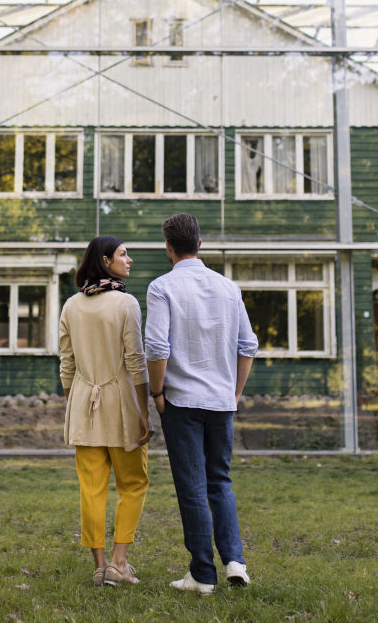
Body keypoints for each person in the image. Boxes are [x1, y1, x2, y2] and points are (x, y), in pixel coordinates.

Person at [145, 213, 258, 595]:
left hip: (180, 402)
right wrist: (235, 393)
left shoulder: (162, 287)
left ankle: (203, 575)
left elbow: (158, 347)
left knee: (192, 487)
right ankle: (235, 561)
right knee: (220, 481)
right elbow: (248, 346)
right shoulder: (229, 288)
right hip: (221, 402)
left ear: (169, 248)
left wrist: (157, 393)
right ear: (201, 244)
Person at [59, 235, 152, 588]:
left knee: (92, 489)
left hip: (84, 404)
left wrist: (74, 404)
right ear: (105, 259)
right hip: (122, 405)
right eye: (123, 254)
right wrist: (144, 410)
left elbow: (66, 365)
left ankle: (99, 567)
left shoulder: (70, 306)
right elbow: (135, 361)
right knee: (133, 484)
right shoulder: (126, 304)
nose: (129, 260)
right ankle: (119, 563)